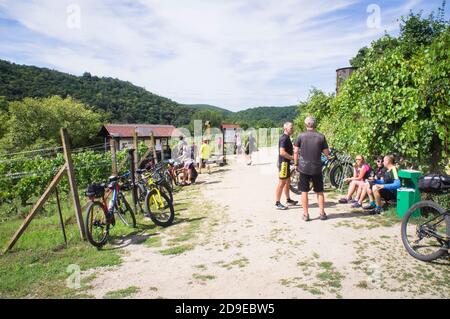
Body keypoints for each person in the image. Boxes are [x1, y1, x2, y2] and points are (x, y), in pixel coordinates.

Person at [294, 116, 330, 221]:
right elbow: (326, 153)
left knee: (304, 191)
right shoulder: (321, 137)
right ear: (315, 124)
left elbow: (295, 151)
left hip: (303, 167)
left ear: (306, 125)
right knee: (319, 191)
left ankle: (306, 214)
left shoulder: (300, 136)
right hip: (317, 167)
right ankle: (322, 213)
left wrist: (296, 164)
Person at [275, 122, 298, 210]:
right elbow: (282, 152)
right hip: (283, 164)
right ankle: (277, 203)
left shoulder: (287, 138)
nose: (293, 129)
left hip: (286, 163)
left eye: (293, 128)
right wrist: (293, 158)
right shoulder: (283, 138)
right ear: (286, 129)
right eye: (291, 128)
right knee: (281, 183)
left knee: (288, 182)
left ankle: (288, 199)